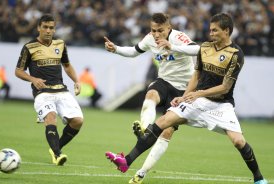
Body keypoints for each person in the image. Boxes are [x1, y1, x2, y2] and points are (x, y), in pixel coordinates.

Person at [105, 13, 268, 184]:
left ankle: (258, 178)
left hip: (220, 105)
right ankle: (127, 161)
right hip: (194, 99)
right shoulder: (206, 47)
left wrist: (196, 93)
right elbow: (196, 75)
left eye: (215, 30)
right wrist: (183, 98)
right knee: (163, 122)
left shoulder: (235, 54)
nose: (210, 33)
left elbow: (225, 87)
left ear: (227, 31)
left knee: (238, 141)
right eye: (210, 30)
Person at [104, 12, 200, 183]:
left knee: (167, 131)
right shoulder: (149, 39)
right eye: (153, 30)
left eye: (160, 31)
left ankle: (141, 173)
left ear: (168, 28)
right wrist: (116, 49)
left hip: (184, 90)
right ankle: (145, 128)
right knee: (150, 95)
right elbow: (134, 51)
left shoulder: (179, 37)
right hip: (164, 81)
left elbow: (198, 49)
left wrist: (172, 46)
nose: (156, 34)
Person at [15, 14, 84, 166]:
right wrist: (33, 79)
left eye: (51, 28)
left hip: (61, 90)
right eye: (45, 27)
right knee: (51, 117)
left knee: (78, 121)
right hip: (43, 92)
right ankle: (58, 154)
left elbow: (66, 65)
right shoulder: (29, 47)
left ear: (54, 29)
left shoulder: (60, 44)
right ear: (38, 28)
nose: (48, 30)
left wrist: (76, 81)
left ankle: (55, 148)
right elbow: (18, 71)